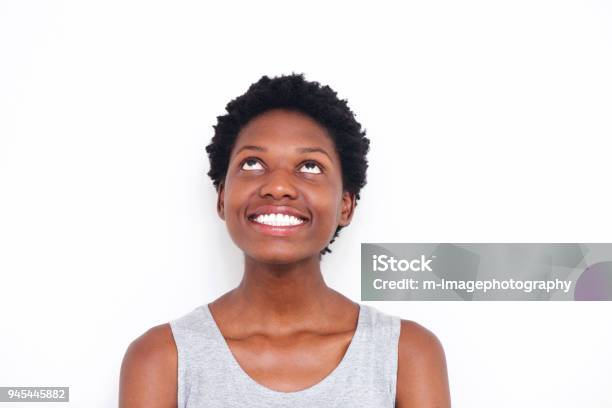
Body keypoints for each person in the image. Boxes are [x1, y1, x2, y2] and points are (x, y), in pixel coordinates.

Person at [118, 73, 451, 407]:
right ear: (222, 198)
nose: (278, 187)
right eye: (252, 163)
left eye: (310, 166)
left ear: (346, 205)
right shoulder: (162, 358)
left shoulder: (406, 354)